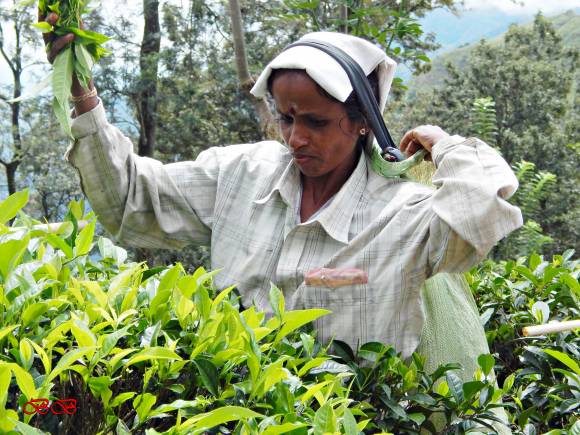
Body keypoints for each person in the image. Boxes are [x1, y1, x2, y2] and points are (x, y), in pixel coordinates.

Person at [42, 16, 522, 368]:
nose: (295, 138)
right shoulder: (242, 175)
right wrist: (82, 92)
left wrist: (446, 145)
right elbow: (131, 200)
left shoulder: (403, 215)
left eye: (316, 122)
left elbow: (480, 214)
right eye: (285, 118)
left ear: (362, 122)